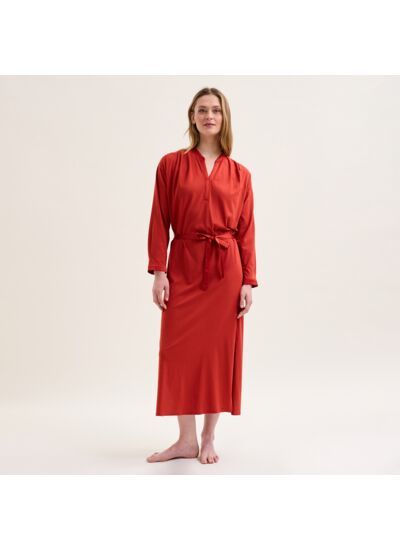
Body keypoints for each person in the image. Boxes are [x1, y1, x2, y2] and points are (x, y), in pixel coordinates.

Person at [146, 87, 258, 464]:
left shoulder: (240, 174)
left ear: (225, 118)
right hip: (183, 265)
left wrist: (248, 280)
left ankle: (208, 437)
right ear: (192, 117)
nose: (209, 116)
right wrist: (159, 271)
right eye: (202, 110)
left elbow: (246, 230)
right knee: (177, 352)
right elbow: (159, 219)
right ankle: (185, 440)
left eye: (216, 110)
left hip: (226, 272)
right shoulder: (171, 165)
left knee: (217, 355)